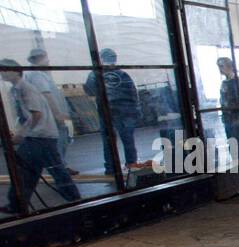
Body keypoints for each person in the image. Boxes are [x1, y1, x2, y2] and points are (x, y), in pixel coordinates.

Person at [1, 59, 80, 212]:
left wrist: (20, 134)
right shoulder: (16, 90)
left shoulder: (26, 89)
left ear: (15, 71)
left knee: (55, 170)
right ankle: (17, 204)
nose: (1, 73)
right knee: (26, 170)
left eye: (4, 69)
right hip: (36, 136)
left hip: (41, 136)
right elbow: (26, 115)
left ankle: (75, 200)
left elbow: (36, 114)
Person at [83, 48, 139, 173]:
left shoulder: (95, 73)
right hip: (125, 111)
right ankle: (132, 165)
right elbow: (132, 92)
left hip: (107, 111)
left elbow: (89, 90)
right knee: (128, 139)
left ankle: (111, 168)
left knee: (109, 141)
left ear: (101, 59)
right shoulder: (122, 74)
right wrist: (135, 109)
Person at [25, 49, 76, 169]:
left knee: (60, 140)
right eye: (46, 58)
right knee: (60, 140)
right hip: (52, 116)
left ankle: (60, 165)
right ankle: (60, 166)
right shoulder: (37, 75)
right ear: (39, 59)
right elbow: (46, 95)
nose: (48, 61)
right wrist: (57, 114)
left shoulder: (37, 74)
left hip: (50, 115)